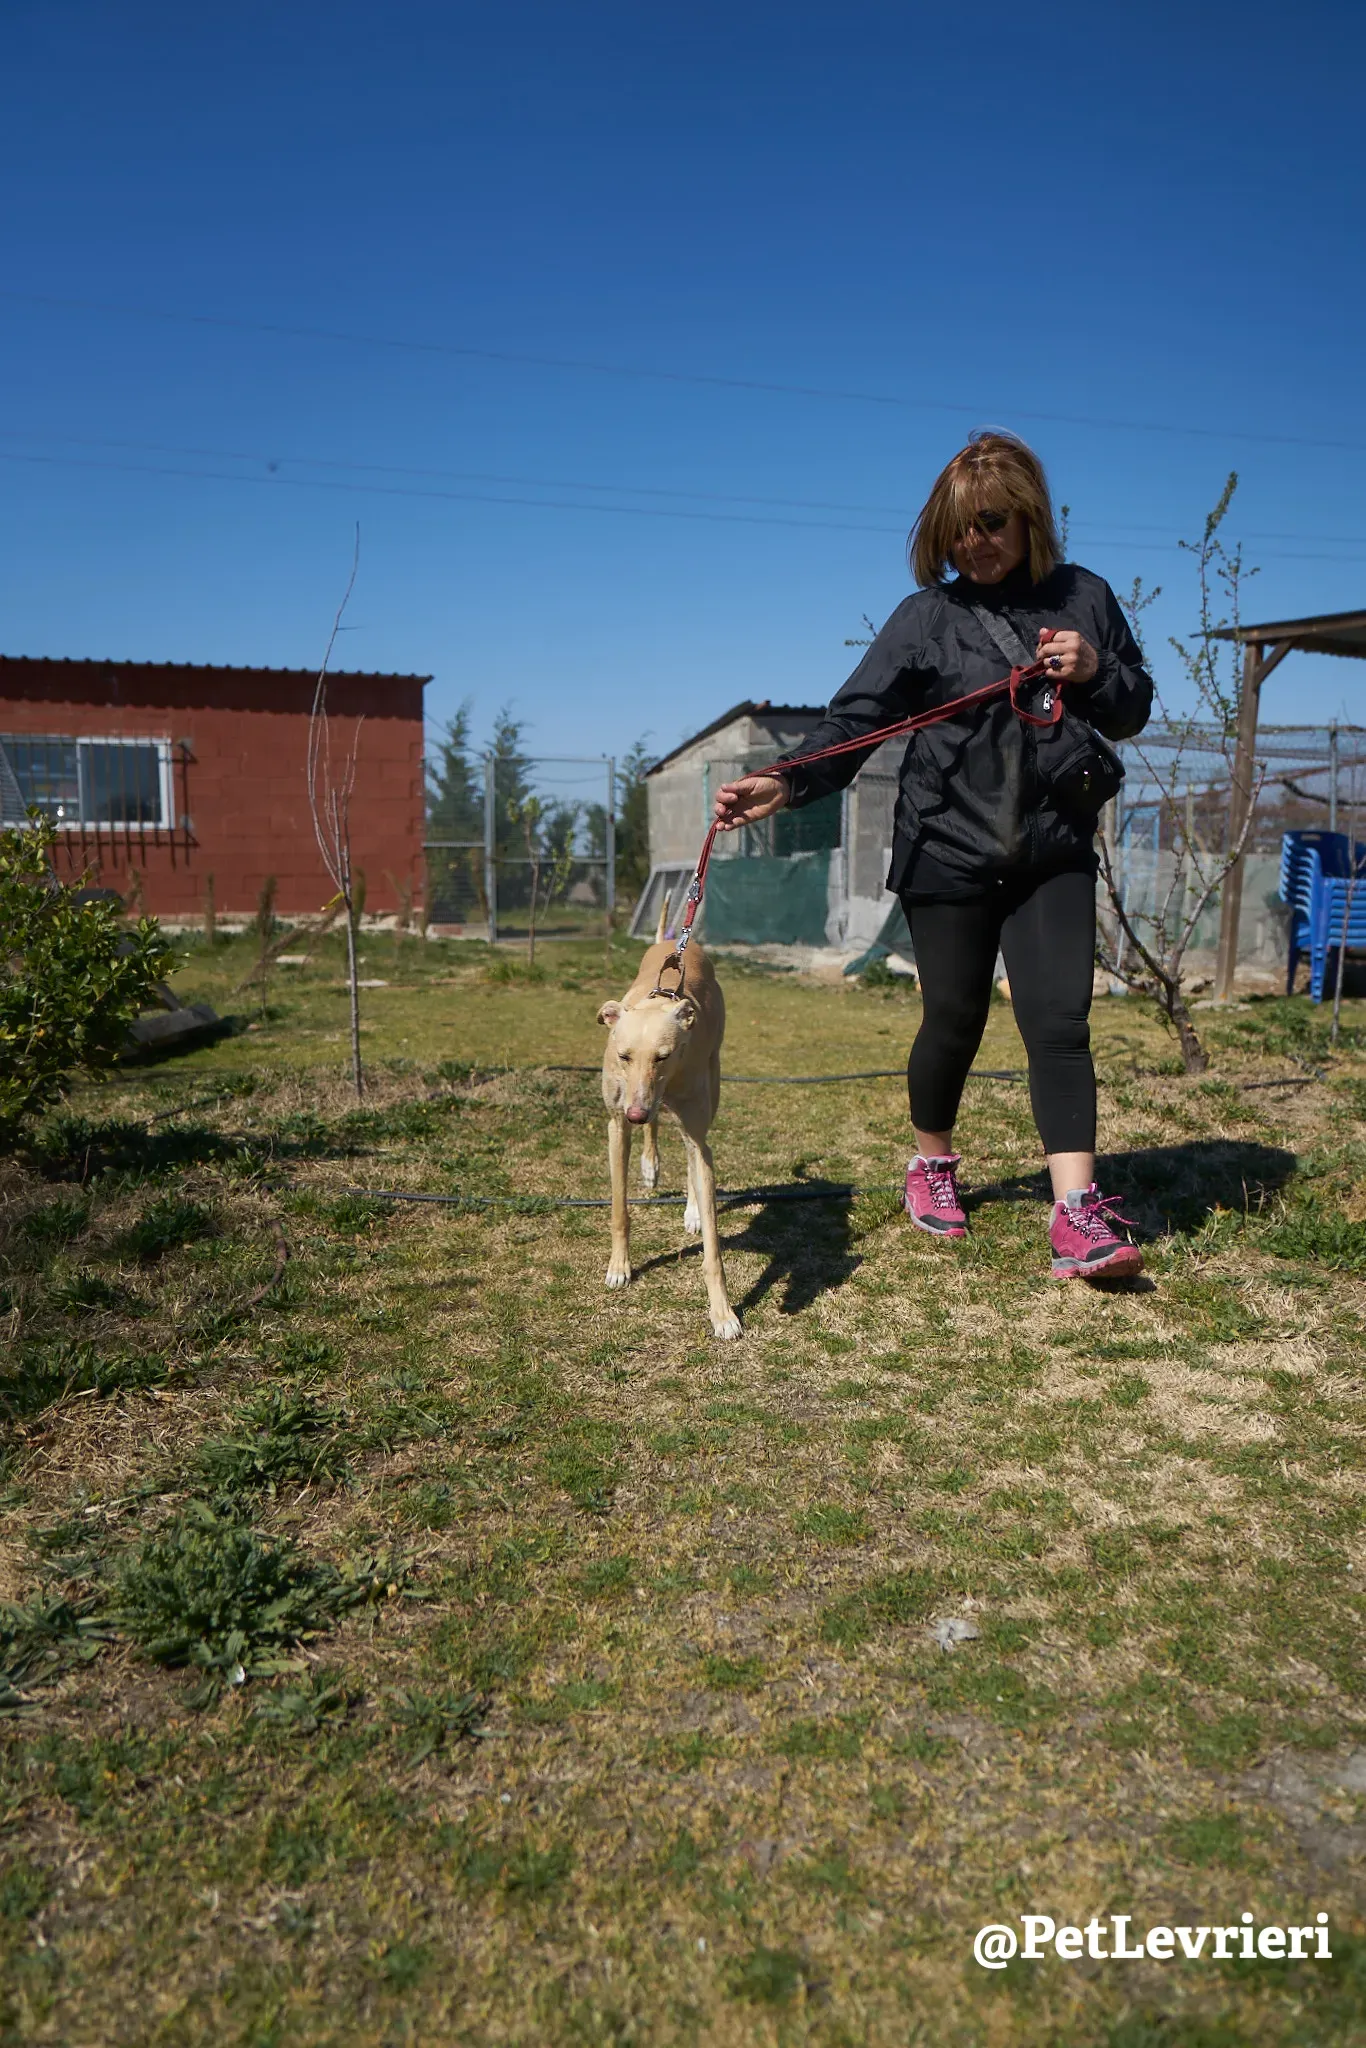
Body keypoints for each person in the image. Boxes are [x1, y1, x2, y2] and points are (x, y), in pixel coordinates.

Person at [712, 431, 1153, 1281]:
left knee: (1059, 1025)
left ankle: (1076, 1216)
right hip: (945, 847)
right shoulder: (926, 619)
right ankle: (932, 1165)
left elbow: (1130, 706)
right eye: (958, 529)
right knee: (954, 1019)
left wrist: (1096, 670)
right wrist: (784, 780)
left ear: (1028, 518)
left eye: (990, 523)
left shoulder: (1087, 598)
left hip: (1051, 849)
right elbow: (855, 723)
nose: (973, 543)